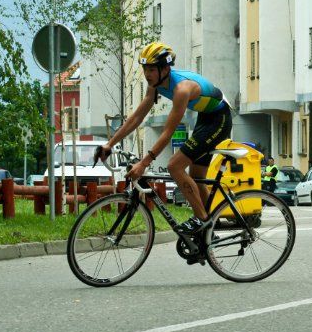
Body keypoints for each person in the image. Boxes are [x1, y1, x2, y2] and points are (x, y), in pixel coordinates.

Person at [95, 42, 232, 250]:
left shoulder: (182, 89)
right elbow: (137, 117)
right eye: (145, 69)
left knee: (174, 166)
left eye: (151, 69)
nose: (147, 74)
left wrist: (145, 162)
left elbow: (168, 132)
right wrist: (109, 144)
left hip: (219, 119)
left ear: (165, 69)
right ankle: (209, 231)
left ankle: (202, 220)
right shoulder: (156, 83)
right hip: (205, 117)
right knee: (195, 175)